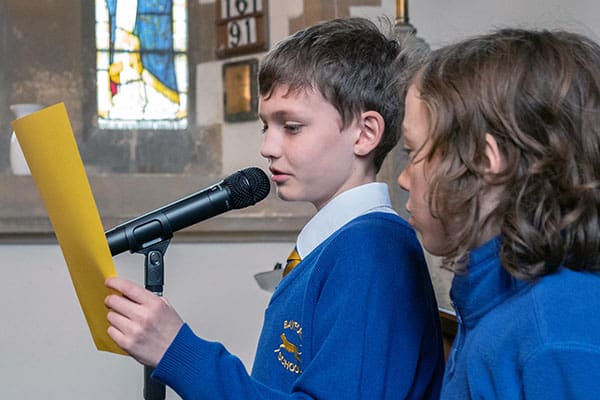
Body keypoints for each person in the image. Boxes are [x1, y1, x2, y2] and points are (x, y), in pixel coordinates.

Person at [105, 17, 444, 399]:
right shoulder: (337, 243)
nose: (268, 147)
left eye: (292, 126)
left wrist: (180, 352)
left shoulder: (373, 251)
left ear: (365, 133)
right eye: (266, 126)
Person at [398, 28, 600, 399]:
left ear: (482, 160)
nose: (403, 178)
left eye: (412, 153)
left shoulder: (556, 336)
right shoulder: (491, 302)